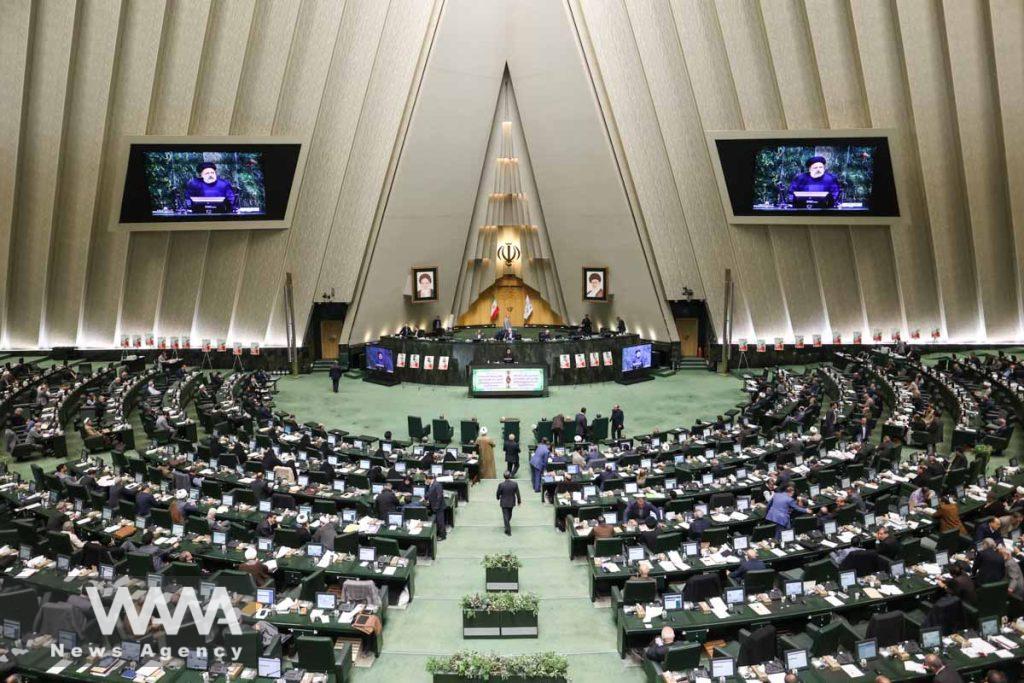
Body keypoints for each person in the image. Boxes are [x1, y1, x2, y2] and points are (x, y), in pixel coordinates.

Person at [496, 471, 522, 536]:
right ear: (510, 476)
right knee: (508, 515)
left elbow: (498, 493)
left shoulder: (501, 485)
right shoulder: (514, 484)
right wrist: (519, 501)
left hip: (504, 503)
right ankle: (508, 530)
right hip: (511, 502)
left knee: (506, 516)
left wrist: (498, 497)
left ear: (504, 476)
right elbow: (518, 493)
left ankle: (507, 525)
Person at [426, 473, 447, 540]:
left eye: (426, 480)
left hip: (439, 507)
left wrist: (437, 507)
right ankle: (441, 533)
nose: (426, 481)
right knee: (437, 521)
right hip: (434, 506)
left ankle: (443, 536)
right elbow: (429, 493)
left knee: (440, 522)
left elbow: (439, 497)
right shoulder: (431, 484)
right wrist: (424, 497)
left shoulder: (437, 485)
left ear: (429, 479)